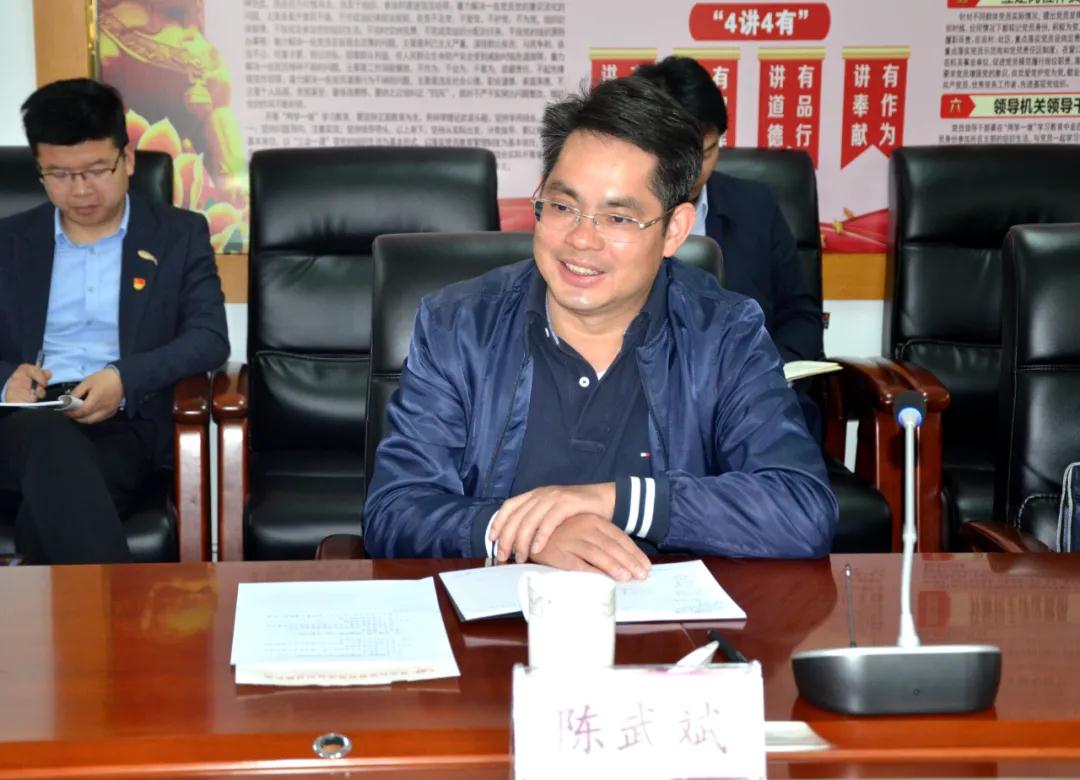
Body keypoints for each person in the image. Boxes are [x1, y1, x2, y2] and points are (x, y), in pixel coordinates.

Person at [363, 77, 837, 579]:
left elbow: (801, 508)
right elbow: (395, 509)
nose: (582, 240)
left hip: (667, 616)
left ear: (674, 230)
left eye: (618, 219)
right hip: (496, 619)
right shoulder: (459, 325)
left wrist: (619, 502)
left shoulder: (724, 334)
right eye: (563, 207)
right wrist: (525, 535)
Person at [0, 78, 229, 564]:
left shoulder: (178, 235)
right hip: (18, 426)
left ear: (127, 160)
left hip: (122, 427)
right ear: (39, 171)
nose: (81, 190)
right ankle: (116, 615)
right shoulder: (9, 242)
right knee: (44, 437)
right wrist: (6, 381)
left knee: (51, 503)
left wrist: (124, 378)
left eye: (96, 170)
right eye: (59, 174)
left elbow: (209, 337)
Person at [632, 56, 824, 366]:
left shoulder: (756, 208)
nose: (694, 170)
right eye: (680, 156)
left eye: (707, 152)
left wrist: (765, 371)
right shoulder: (617, 217)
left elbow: (801, 317)